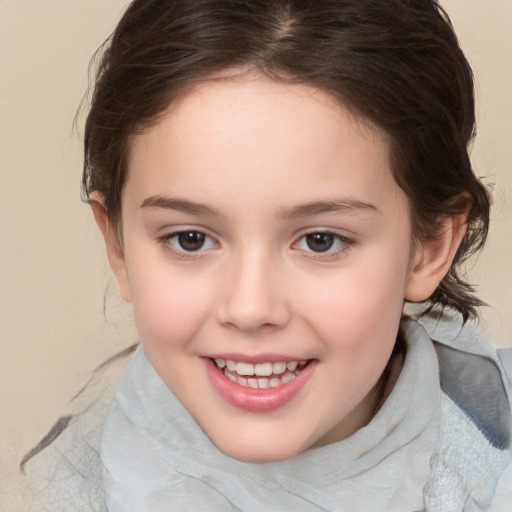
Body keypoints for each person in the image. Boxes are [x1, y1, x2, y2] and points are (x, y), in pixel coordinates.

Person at [17, 0, 512, 510]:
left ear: (429, 247)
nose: (250, 308)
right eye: (190, 239)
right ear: (118, 248)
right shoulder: (57, 487)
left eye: (321, 240)